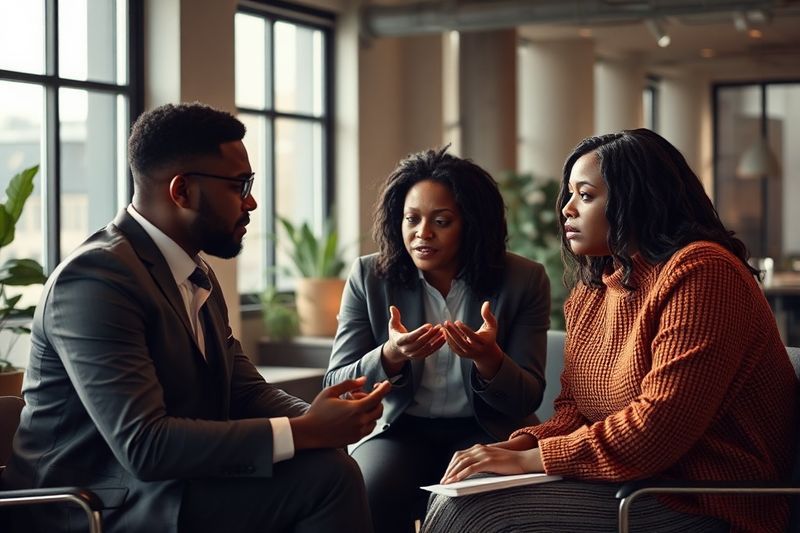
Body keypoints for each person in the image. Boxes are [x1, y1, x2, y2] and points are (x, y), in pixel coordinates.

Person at [3, 102, 391, 533]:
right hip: (86, 505)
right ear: (182, 190)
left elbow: (243, 391)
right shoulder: (96, 280)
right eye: (239, 185)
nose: (252, 201)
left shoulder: (193, 273)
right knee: (324, 479)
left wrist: (324, 421)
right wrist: (307, 432)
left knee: (326, 465)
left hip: (162, 487)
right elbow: (145, 445)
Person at [423, 129, 798, 532]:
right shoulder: (595, 291)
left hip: (704, 498)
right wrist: (522, 445)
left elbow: (657, 430)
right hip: (629, 483)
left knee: (475, 514)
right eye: (569, 195)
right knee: (466, 488)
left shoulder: (703, 272)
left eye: (585, 196)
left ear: (636, 200)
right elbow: (574, 412)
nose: (566, 209)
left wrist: (530, 461)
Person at [324, 146, 551, 533]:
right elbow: (336, 386)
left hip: (487, 430)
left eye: (442, 221)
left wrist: (489, 360)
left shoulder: (524, 280)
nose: (422, 234)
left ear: (472, 224)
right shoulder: (369, 277)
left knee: (477, 510)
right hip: (399, 429)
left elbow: (527, 398)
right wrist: (390, 355)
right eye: (411, 219)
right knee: (367, 489)